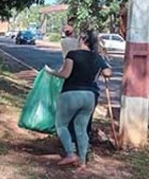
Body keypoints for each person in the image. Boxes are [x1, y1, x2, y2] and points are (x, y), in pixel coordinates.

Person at [47, 30, 112, 168]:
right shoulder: (97, 57)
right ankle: (82, 161)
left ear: (82, 39)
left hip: (71, 94)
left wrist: (51, 72)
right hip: (90, 96)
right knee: (81, 128)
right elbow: (108, 73)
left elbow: (65, 74)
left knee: (61, 125)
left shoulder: (73, 54)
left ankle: (70, 154)